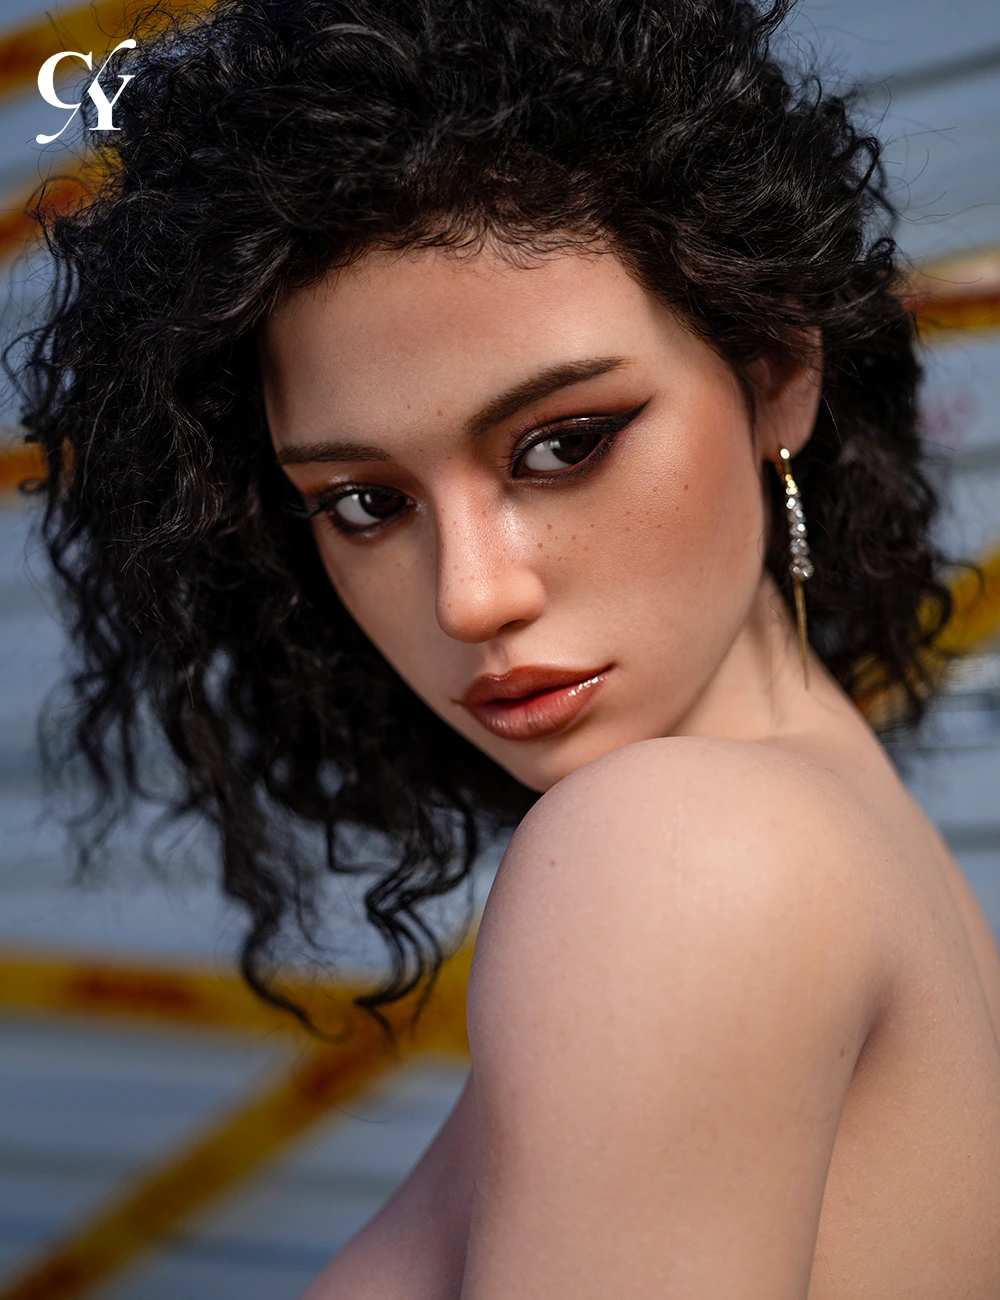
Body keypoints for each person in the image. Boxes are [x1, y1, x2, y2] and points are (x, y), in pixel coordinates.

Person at [9, 0, 1000, 1294]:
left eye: (563, 443)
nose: (470, 600)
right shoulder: (856, 847)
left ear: (774, 373)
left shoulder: (675, 851)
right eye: (366, 502)